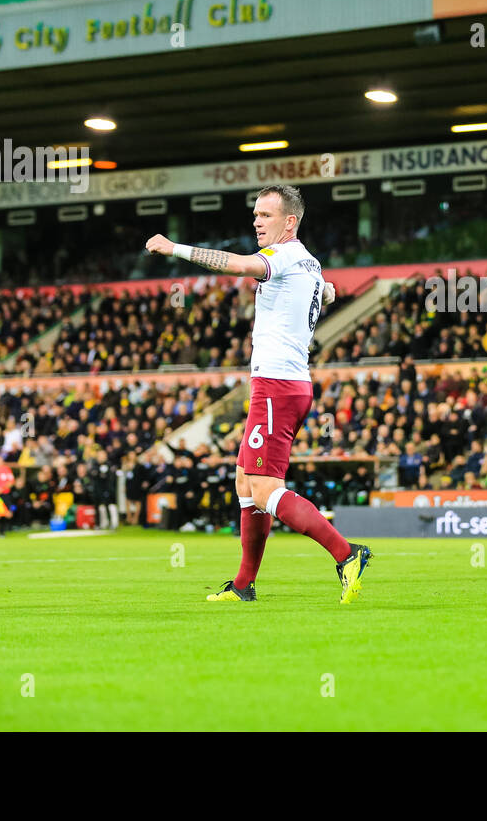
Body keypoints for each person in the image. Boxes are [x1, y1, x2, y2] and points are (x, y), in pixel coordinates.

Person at [146, 184, 372, 603]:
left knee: (266, 489)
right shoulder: (310, 263)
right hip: (288, 383)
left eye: (265, 215)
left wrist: (174, 247)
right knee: (245, 482)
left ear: (290, 222)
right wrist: (325, 289)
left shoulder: (281, 257)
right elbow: (321, 291)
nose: (256, 221)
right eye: (255, 214)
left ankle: (348, 554)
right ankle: (245, 584)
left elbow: (236, 265)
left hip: (276, 386)